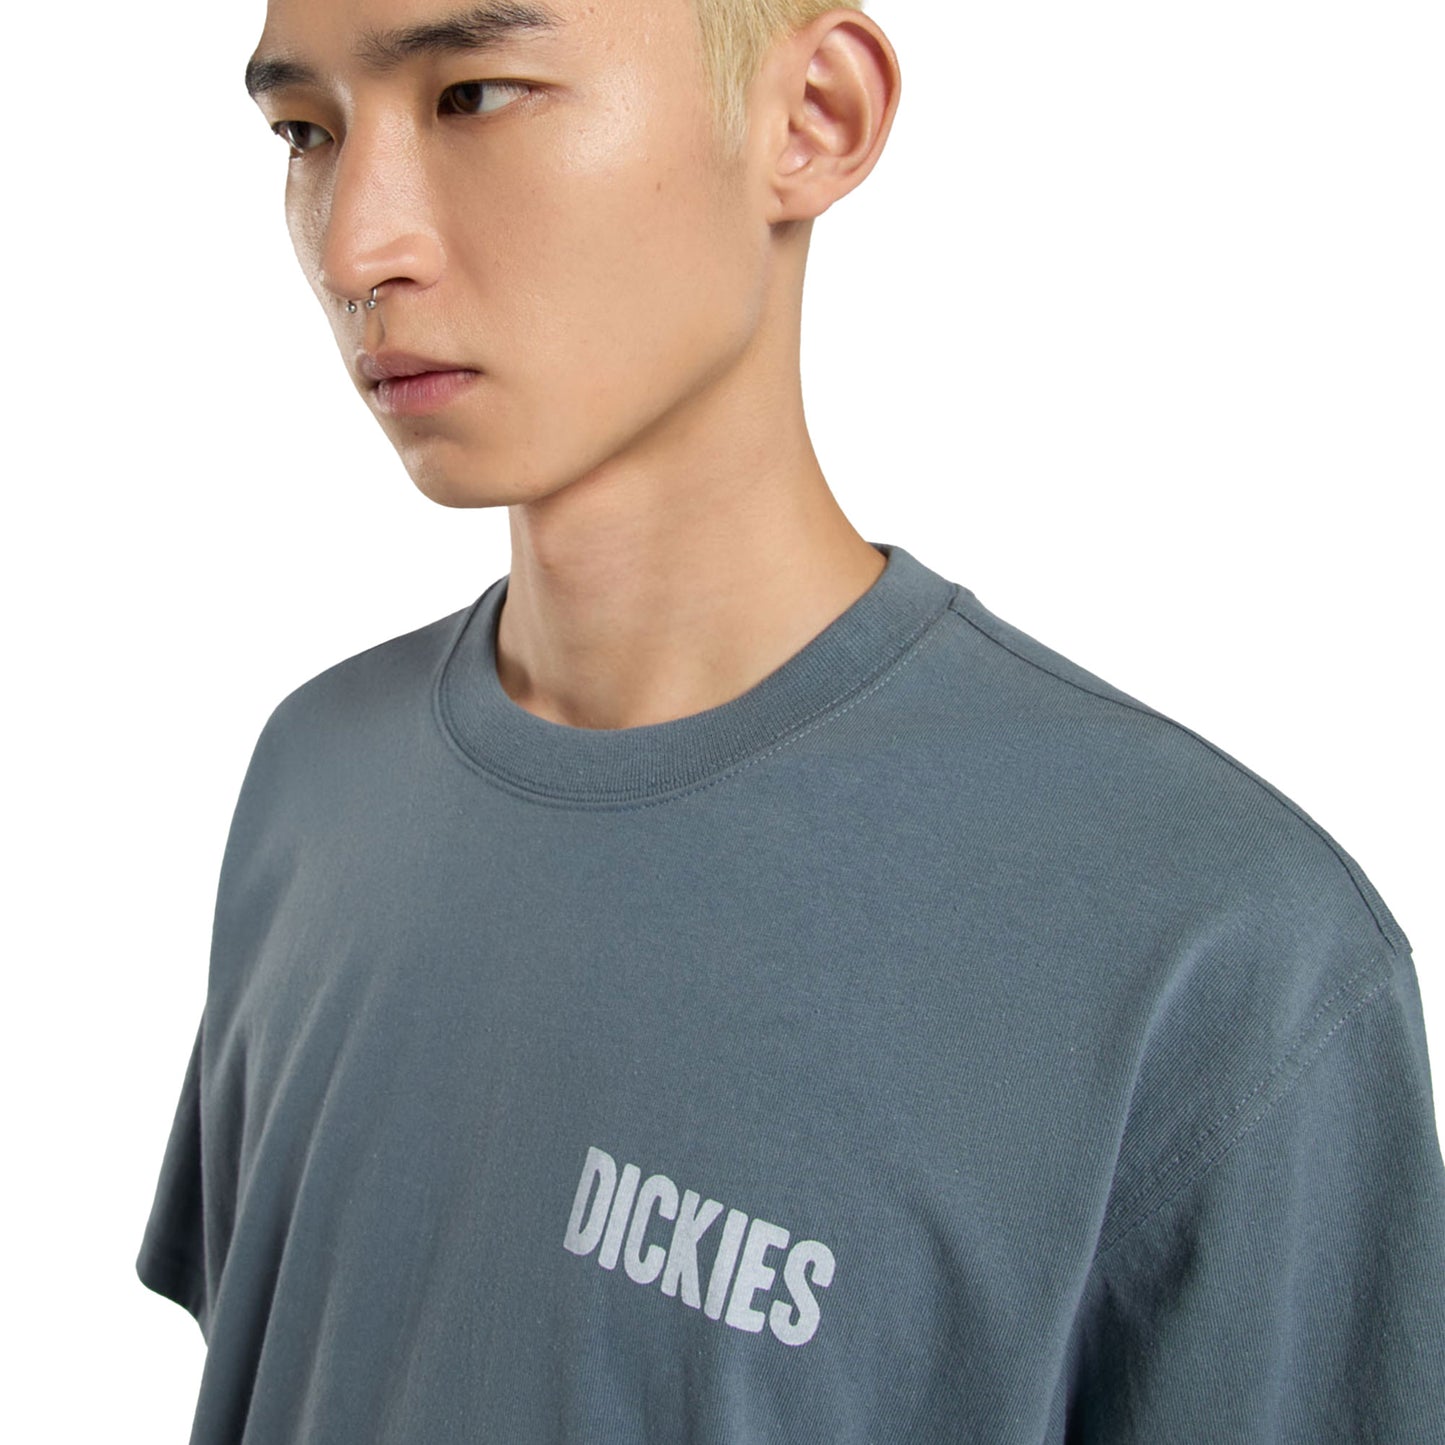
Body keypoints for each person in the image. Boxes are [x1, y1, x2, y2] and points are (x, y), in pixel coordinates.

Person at [136, 0, 1445, 1438]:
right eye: (305, 132)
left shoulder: (1217, 954)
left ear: (815, 115)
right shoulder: (318, 786)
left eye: (476, 96)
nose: (353, 249)